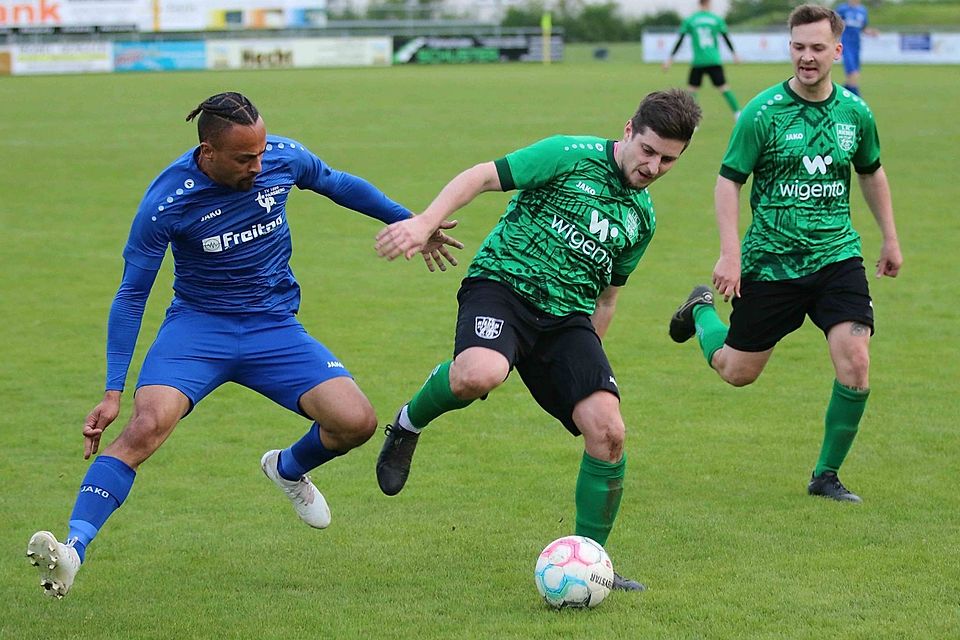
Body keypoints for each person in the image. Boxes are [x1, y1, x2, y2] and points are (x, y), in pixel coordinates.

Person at [26, 91, 462, 599]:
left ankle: (288, 468)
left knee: (357, 422)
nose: (259, 164)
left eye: (260, 153)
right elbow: (131, 294)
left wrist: (413, 221)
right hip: (198, 329)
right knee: (146, 427)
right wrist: (112, 390)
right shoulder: (167, 201)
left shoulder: (281, 157)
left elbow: (338, 184)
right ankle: (73, 550)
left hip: (272, 327)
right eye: (244, 158)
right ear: (207, 153)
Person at [373, 89, 702, 592]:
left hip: (567, 319)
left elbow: (608, 296)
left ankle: (594, 563)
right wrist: (424, 222)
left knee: (609, 431)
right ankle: (406, 424)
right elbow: (483, 176)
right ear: (629, 130)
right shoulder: (568, 155)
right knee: (477, 375)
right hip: (504, 285)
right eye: (649, 151)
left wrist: (587, 364)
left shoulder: (643, 219)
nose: (654, 166)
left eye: (669, 160)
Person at [668, 5, 902, 504]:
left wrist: (890, 238)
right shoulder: (762, 113)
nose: (807, 57)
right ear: (789, 47)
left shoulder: (855, 113)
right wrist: (730, 256)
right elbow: (728, 182)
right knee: (737, 372)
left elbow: (871, 171)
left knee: (856, 362)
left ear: (837, 50)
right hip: (771, 263)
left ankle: (826, 476)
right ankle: (701, 309)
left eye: (817, 48)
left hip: (837, 257)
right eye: (798, 47)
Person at [662, 0, 742, 121]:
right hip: (714, 60)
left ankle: (692, 120)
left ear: (699, 3)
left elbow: (680, 40)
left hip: (698, 61)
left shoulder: (691, 20)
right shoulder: (716, 19)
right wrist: (734, 54)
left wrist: (670, 59)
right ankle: (738, 114)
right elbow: (726, 38)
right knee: (724, 88)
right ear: (709, 3)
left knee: (692, 91)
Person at [835, 0, 879, 96]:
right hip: (846, 44)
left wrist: (871, 32)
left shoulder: (862, 10)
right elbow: (834, 24)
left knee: (855, 71)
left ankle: (844, 92)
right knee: (852, 71)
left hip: (856, 45)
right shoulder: (842, 9)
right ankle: (855, 95)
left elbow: (863, 28)